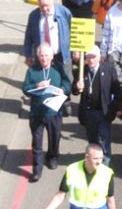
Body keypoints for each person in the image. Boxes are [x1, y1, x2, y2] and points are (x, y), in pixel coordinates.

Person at [22, 43, 71, 182]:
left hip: (54, 112)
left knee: (54, 138)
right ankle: (37, 170)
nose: (44, 58)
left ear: (52, 56)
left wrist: (62, 89)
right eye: (41, 55)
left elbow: (67, 84)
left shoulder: (58, 69)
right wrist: (36, 86)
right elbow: (25, 89)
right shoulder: (32, 71)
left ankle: (52, 157)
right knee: (36, 143)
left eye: (46, 55)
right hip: (37, 113)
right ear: (38, 56)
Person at [74, 46, 122, 165]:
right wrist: (76, 86)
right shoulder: (81, 70)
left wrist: (117, 108)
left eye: (93, 57)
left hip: (103, 112)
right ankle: (93, 162)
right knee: (93, 141)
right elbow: (73, 90)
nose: (90, 60)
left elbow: (117, 91)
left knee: (104, 142)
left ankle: (104, 166)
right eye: (88, 57)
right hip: (88, 113)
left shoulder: (109, 69)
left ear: (99, 57)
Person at [44, 143, 116, 209]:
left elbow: (110, 200)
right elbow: (60, 195)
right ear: (86, 157)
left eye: (101, 158)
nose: (99, 162)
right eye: (95, 158)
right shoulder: (72, 170)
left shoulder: (107, 173)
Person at [23, 0, 72, 73]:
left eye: (47, 5)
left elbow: (73, 29)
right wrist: (28, 55)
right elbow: (28, 38)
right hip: (42, 58)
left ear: (52, 2)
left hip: (61, 55)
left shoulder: (63, 12)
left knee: (66, 81)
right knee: (43, 82)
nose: (45, 8)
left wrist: (75, 50)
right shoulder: (33, 16)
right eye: (42, 6)